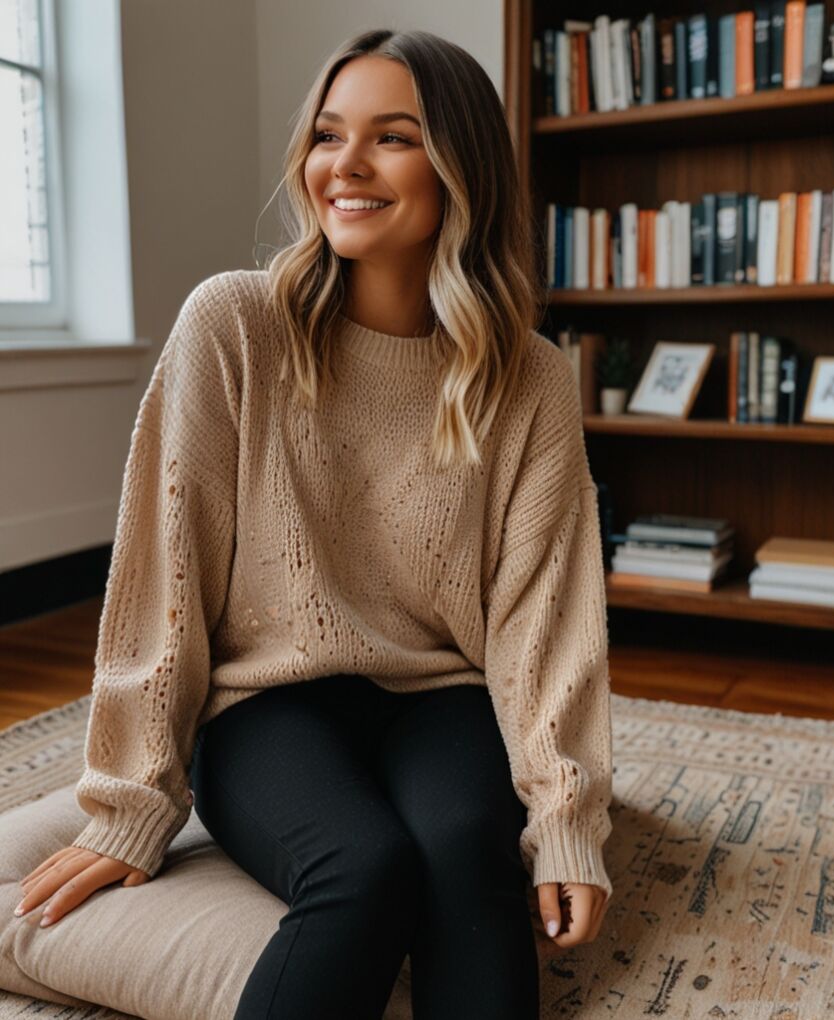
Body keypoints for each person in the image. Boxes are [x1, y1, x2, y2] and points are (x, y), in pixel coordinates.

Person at [15, 27, 613, 1020]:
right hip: (264, 705)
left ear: (462, 168)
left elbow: (545, 619)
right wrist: (128, 808)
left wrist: (565, 821)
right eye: (330, 134)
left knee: (468, 862)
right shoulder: (235, 325)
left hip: (441, 696)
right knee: (365, 870)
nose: (346, 163)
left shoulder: (533, 375)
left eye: (393, 137)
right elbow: (166, 577)